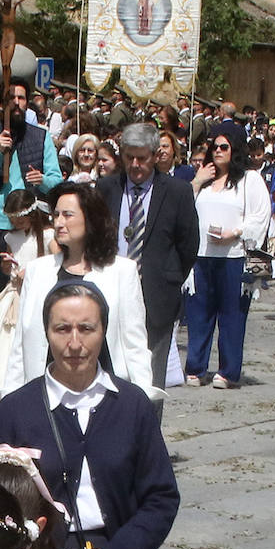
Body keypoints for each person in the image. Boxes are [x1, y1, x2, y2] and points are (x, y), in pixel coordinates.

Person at [0, 282, 179, 549]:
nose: (74, 342)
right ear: (46, 333)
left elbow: (160, 498)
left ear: (104, 331)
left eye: (86, 328)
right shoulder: (17, 409)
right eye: (62, 329)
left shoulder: (132, 405)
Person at [6, 183, 154, 401]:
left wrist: (143, 399)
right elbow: (21, 343)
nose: (59, 223)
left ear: (90, 219)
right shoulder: (38, 271)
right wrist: (11, 398)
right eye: (56, 215)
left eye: (67, 215)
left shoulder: (122, 271)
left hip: (105, 396)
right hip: (45, 395)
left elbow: (135, 344)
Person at [95, 123, 199, 403]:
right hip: (111, 292)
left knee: (151, 378)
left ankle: (149, 439)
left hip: (156, 295)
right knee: (110, 371)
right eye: (129, 157)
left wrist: (169, 277)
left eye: (142, 157)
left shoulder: (177, 192)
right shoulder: (107, 188)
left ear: (155, 155)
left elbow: (188, 245)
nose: (135, 164)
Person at [183, 134, 271, 389]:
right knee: (199, 313)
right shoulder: (204, 180)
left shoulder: (248, 180)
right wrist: (197, 181)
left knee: (232, 315)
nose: (218, 151)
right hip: (201, 256)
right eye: (215, 147)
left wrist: (236, 231)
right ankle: (196, 367)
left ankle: (228, 371)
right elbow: (183, 206)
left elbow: (260, 215)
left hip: (234, 256)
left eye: (225, 146)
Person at [0, 188, 57, 420]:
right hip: (13, 293)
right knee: (0, 344)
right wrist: (8, 267)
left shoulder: (48, 237)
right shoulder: (11, 238)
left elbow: (56, 264)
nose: (15, 223)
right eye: (12, 219)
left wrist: (34, 272)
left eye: (19, 218)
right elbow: (8, 267)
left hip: (36, 296)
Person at [0, 80, 65, 292]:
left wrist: (42, 180)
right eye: (10, 98)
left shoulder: (40, 136)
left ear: (27, 102)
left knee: (31, 291)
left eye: (21, 98)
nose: (16, 102)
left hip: (30, 227)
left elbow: (57, 182)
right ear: (1, 103)